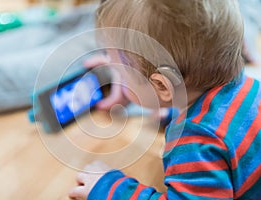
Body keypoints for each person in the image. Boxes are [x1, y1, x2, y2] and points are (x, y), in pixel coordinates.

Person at [69, 0, 261, 199]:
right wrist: (175, 110)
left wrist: (111, 190)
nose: (112, 71)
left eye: (120, 73)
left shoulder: (196, 144)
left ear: (162, 86)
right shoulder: (249, 88)